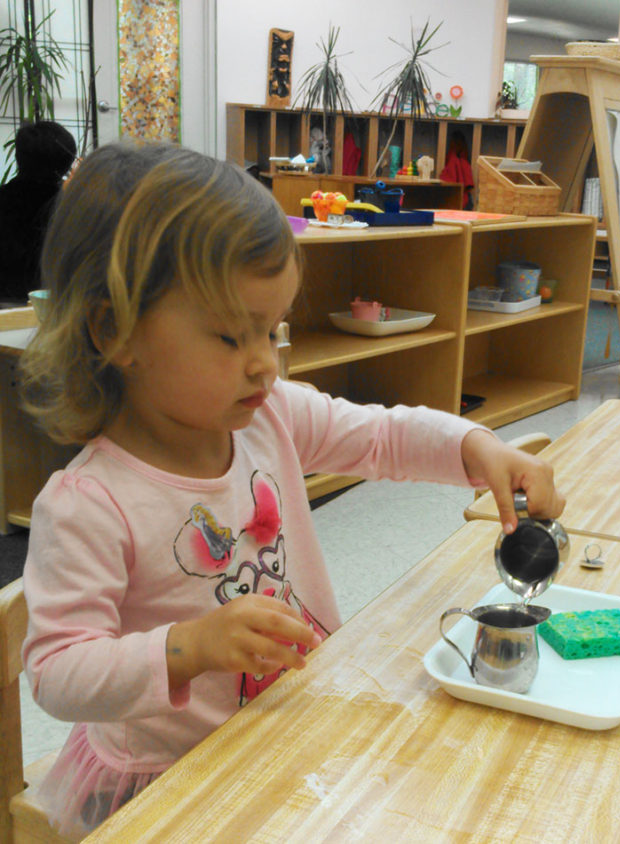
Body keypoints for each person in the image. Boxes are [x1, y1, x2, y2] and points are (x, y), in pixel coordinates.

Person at [20, 140, 565, 838]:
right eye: (229, 336)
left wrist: (478, 446)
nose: (262, 364)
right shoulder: (90, 503)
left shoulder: (267, 418)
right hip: (168, 782)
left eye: (270, 330)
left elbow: (382, 436)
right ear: (113, 328)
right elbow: (58, 672)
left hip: (288, 723)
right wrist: (187, 648)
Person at [0, 120, 76, 303]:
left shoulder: (4, 199)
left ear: (19, 156)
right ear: (66, 162)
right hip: (57, 304)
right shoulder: (70, 206)